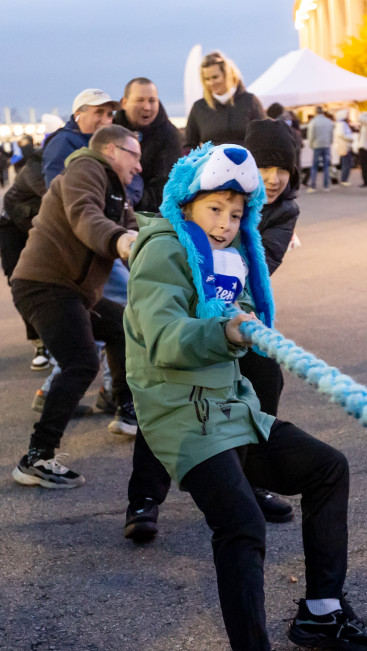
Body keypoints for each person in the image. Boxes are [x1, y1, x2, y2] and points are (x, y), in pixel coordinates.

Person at [123, 142, 367, 651]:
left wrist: (249, 327)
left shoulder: (230, 252)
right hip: (182, 415)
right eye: (215, 209)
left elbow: (236, 312)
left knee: (327, 468)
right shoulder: (164, 252)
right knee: (242, 523)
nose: (226, 224)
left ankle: (322, 613)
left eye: (237, 213)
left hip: (232, 409)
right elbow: (166, 338)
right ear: (188, 202)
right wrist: (231, 330)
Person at [123, 119, 301, 541]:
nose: (275, 178)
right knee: (174, 388)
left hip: (234, 306)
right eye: (267, 166)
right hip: (190, 307)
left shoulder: (283, 210)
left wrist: (241, 317)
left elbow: (259, 267)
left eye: (284, 169)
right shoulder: (203, 201)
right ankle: (145, 497)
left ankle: (249, 479)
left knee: (265, 380)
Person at [10, 124, 141, 488]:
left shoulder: (117, 190)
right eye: (135, 156)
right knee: (81, 362)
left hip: (73, 292)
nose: (140, 167)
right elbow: (85, 215)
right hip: (46, 285)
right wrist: (119, 240)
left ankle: (125, 410)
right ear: (112, 150)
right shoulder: (86, 168)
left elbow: (136, 232)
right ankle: (37, 457)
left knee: (122, 326)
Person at [0, 136, 50, 369]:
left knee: (54, 285)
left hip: (39, 229)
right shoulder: (35, 166)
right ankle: (39, 341)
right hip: (13, 229)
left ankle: (59, 338)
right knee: (20, 283)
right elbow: (56, 197)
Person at [114, 77, 182, 212]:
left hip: (153, 212)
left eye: (152, 101)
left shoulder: (170, 135)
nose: (147, 107)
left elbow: (166, 184)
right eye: (140, 100)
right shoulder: (111, 131)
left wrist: (136, 203)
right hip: (114, 206)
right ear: (124, 103)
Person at [184, 50, 265, 150]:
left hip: (245, 163)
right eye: (207, 79)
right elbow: (189, 145)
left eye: (215, 77)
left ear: (227, 74)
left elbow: (263, 137)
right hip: (211, 164)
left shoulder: (250, 101)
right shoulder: (199, 107)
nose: (211, 83)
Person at [42, 88, 119, 188]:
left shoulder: (108, 142)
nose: (106, 120)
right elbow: (59, 189)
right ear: (78, 115)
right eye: (99, 112)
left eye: (109, 115)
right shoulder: (62, 143)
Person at [306, 106, 334, 192]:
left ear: (315, 112)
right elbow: (331, 134)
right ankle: (326, 186)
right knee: (326, 165)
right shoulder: (329, 121)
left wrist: (311, 144)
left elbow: (311, 135)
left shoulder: (313, 122)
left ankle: (313, 185)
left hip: (317, 145)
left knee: (314, 166)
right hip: (326, 144)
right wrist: (330, 142)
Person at [333, 109, 354, 186]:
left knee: (347, 163)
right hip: (344, 146)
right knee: (346, 163)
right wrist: (350, 138)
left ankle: (344, 179)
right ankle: (344, 179)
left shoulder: (342, 124)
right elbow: (340, 134)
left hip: (346, 146)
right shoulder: (341, 124)